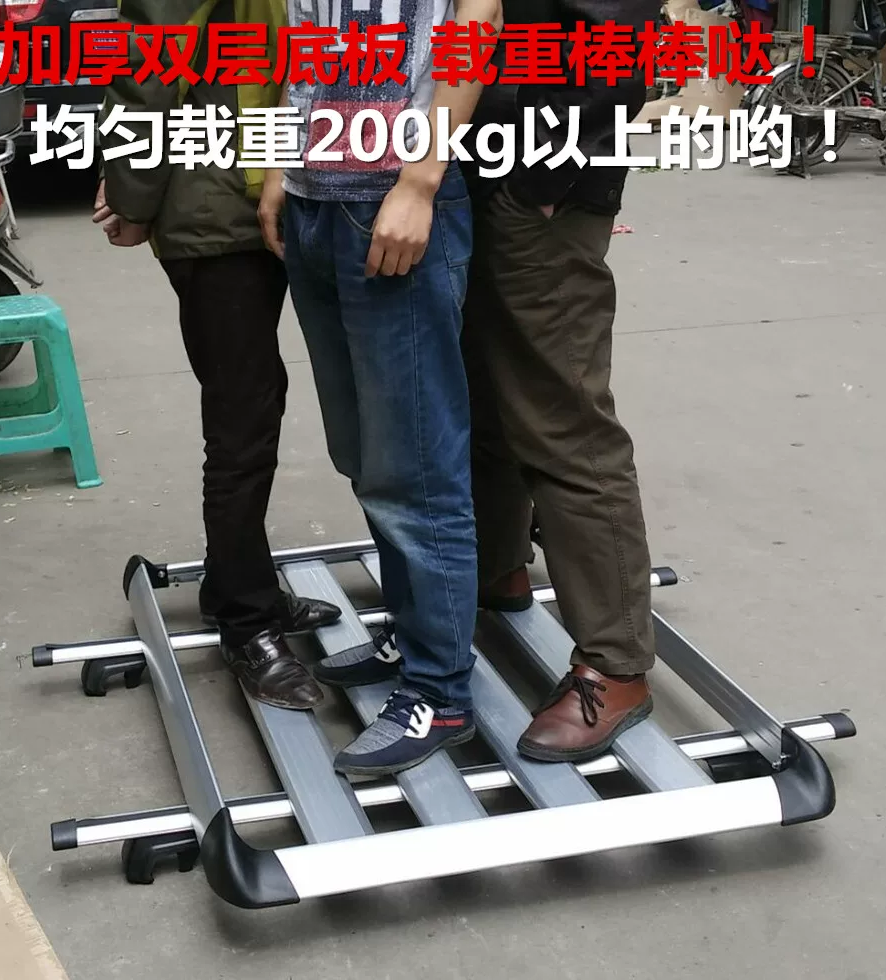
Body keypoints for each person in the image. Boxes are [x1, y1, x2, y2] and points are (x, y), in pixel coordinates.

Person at [258, 0, 501, 776]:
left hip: (393, 200)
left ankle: (440, 692)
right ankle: (414, 632)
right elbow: (306, 37)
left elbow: (480, 17)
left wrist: (421, 181)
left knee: (416, 467)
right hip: (314, 199)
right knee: (364, 454)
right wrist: (281, 166)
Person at [93, 0, 341, 711]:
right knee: (242, 416)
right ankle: (246, 623)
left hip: (282, 185)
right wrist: (134, 196)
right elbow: (148, 62)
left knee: (259, 402)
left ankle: (241, 583)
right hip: (216, 206)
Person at [461, 0, 662, 762]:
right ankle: (498, 568)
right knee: (488, 390)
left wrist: (542, 174)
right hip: (481, 167)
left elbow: (613, 39)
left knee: (563, 414)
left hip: (540, 187)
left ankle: (616, 665)